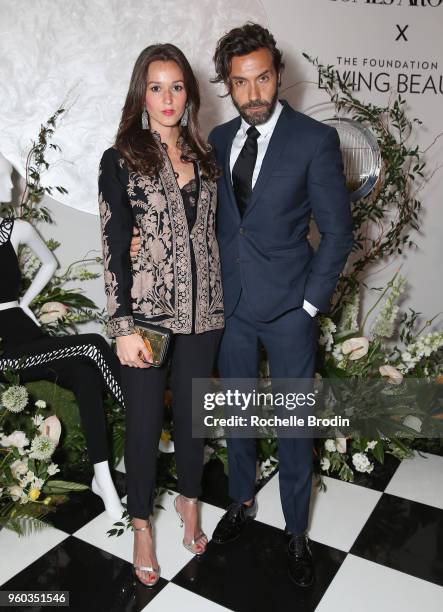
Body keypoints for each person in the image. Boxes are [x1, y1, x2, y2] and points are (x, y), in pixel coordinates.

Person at [131, 24, 354, 588]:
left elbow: (338, 232)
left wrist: (309, 304)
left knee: (295, 424)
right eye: (240, 83)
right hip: (226, 309)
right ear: (226, 85)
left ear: (278, 73)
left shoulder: (314, 141)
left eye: (262, 78)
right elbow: (191, 215)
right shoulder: (215, 142)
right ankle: (239, 502)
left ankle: (297, 531)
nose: (254, 93)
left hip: (289, 312)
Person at [98, 43, 224, 588]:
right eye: (156, 87)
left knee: (195, 424)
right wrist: (121, 327)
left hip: (205, 316)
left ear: (189, 94)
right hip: (145, 320)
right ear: (140, 94)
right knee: (145, 428)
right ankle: (142, 524)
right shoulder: (121, 158)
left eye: (177, 86)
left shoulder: (208, 159)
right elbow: (111, 247)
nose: (167, 98)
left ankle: (190, 504)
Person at [0, 155, 125, 520]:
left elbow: (50, 263)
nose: (12, 186)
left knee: (85, 372)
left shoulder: (16, 229)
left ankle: (103, 477)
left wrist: (22, 302)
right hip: (5, 354)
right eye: (4, 178)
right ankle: (146, 423)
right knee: (92, 344)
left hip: (27, 335)